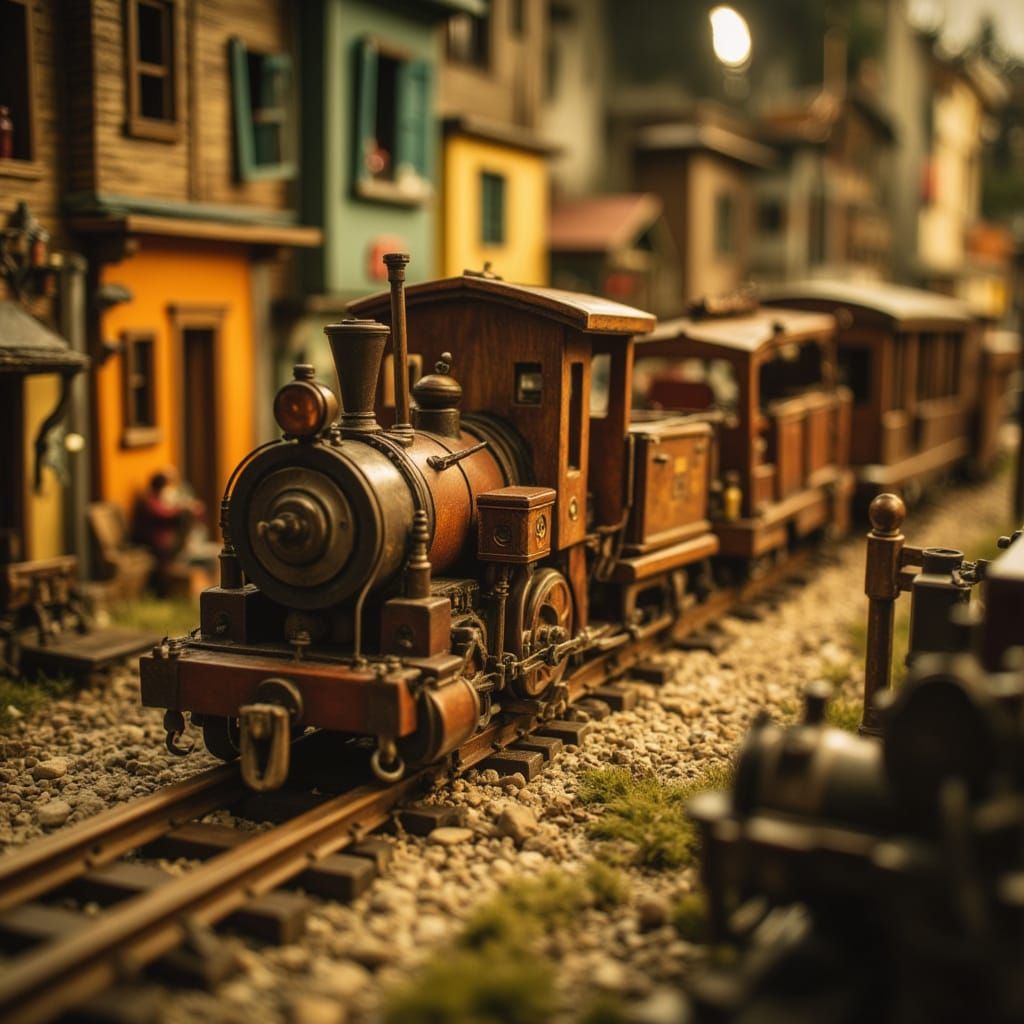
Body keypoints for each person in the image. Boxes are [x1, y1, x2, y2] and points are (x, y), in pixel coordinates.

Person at [133, 468, 205, 592]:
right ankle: (166, 585)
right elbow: (163, 515)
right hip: (154, 538)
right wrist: (181, 509)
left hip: (166, 535)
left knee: (188, 522)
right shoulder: (150, 501)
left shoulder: (160, 498)